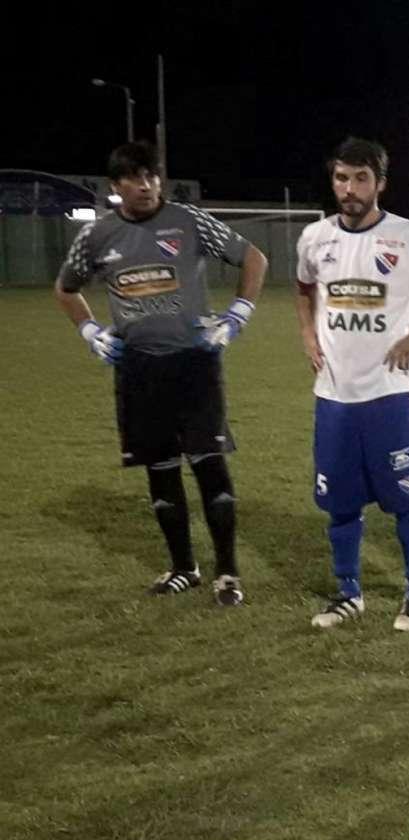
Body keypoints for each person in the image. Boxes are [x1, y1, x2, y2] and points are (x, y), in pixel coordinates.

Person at [54, 140, 267, 607]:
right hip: (139, 369)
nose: (147, 185)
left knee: (210, 465)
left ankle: (227, 573)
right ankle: (183, 568)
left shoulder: (188, 220)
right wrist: (89, 329)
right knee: (161, 469)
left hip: (194, 364)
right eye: (135, 177)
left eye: (152, 175)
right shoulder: (97, 235)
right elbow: (66, 288)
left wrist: (239, 313)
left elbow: (253, 257)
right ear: (116, 186)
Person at [295, 137, 409, 630]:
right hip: (334, 396)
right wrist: (307, 332)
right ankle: (348, 593)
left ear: (380, 183)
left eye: (361, 179)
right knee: (339, 504)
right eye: (341, 178)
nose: (349, 189)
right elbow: (304, 287)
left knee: (407, 500)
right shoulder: (314, 238)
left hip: (391, 395)